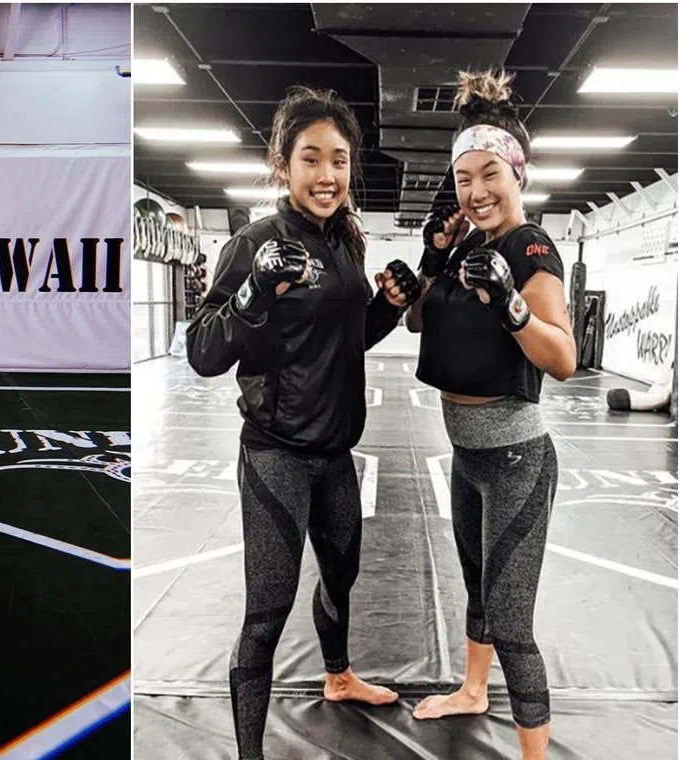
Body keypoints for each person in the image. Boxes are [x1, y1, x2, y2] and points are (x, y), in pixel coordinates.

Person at [186, 86, 420, 760]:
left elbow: (346, 339)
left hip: (336, 455)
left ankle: (339, 677)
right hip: (275, 456)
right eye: (311, 159)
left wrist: (387, 305)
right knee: (267, 613)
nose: (327, 175)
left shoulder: (344, 239)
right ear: (283, 164)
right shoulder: (252, 242)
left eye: (340, 160)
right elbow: (204, 352)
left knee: (341, 577)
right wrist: (256, 290)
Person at [405, 70, 576, 760]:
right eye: (464, 178)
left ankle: (534, 754)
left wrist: (511, 305)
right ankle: (473, 691)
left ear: (517, 172)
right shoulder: (469, 246)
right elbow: (419, 322)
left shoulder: (531, 247)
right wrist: (433, 255)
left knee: (511, 622)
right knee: (476, 589)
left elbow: (561, 356)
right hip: (468, 458)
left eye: (489, 175)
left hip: (514, 462)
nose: (475, 192)